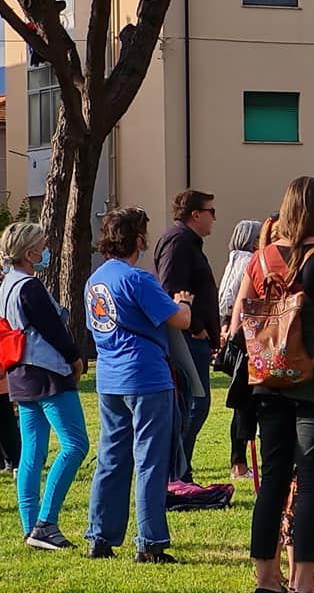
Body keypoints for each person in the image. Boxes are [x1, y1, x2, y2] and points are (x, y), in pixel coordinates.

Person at [225, 177, 314, 593]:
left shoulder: (262, 258)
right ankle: (304, 580)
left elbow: (240, 324)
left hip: (268, 382)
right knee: (310, 480)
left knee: (272, 479)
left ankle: (266, 578)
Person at [84, 207, 193, 563]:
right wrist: (184, 303)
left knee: (111, 459)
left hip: (110, 378)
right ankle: (150, 542)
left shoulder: (95, 279)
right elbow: (178, 319)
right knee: (150, 460)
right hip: (146, 376)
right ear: (138, 240)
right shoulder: (138, 279)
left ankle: (100, 537)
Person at [2, 223, 88, 550]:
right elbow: (54, 330)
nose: (45, 251)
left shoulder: (5, 286)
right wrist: (75, 359)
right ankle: (46, 523)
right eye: (41, 246)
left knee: (32, 453)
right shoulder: (30, 287)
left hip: (20, 374)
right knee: (75, 444)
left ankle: (30, 525)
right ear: (29, 253)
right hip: (47, 372)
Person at [154, 189, 220, 483]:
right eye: (211, 211)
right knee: (194, 405)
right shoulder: (179, 242)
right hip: (186, 339)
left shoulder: (188, 242)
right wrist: (195, 327)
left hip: (193, 337)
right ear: (196, 214)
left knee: (195, 405)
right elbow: (171, 291)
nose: (214, 218)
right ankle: (175, 472)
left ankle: (180, 471)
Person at [220, 219, 262, 480]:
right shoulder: (247, 260)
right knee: (245, 404)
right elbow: (231, 300)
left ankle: (240, 461)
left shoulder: (234, 259)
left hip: (240, 332)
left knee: (243, 403)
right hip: (248, 336)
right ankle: (239, 463)